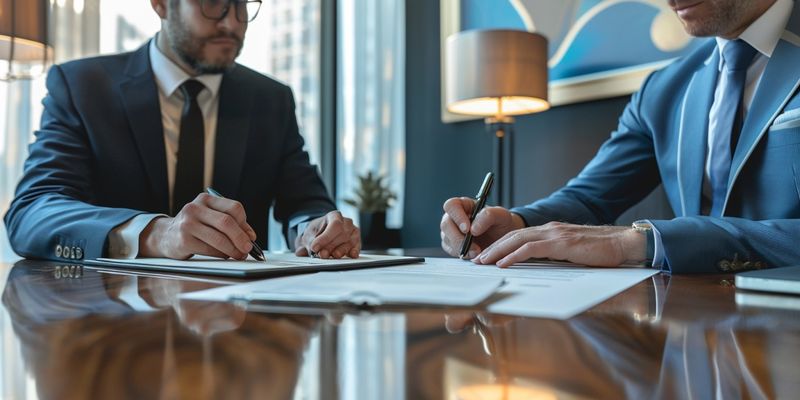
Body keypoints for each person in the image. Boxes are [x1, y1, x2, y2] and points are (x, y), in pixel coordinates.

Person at [441, 0, 800, 273]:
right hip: (692, 330)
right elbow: (590, 199)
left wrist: (643, 240)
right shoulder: (664, 89)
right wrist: (515, 225)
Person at [4, 0, 360, 262]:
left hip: (239, 329)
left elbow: (304, 202)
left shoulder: (271, 99)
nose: (233, 24)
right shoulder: (83, 87)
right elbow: (33, 211)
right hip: (112, 327)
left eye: (243, 6)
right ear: (161, 5)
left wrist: (315, 229)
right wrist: (155, 234)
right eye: (214, 4)